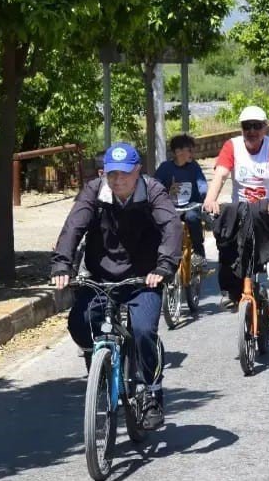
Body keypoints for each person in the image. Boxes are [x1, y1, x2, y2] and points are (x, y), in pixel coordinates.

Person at [52, 142, 182, 430]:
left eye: (124, 174)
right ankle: (97, 363)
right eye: (112, 174)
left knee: (144, 331)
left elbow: (172, 227)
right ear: (103, 173)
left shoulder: (153, 191)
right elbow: (74, 225)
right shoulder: (95, 191)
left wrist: (164, 267)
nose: (118, 180)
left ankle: (151, 391)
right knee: (79, 323)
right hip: (100, 276)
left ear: (138, 172)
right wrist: (62, 263)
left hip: (144, 277)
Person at [204, 106, 269, 320]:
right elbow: (220, 175)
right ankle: (231, 292)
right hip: (241, 212)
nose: (252, 131)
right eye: (247, 126)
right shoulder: (231, 146)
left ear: (265, 127)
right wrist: (210, 199)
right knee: (228, 247)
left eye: (257, 126)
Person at [155, 133, 207, 268]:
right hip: (171, 207)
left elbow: (202, 183)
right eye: (189, 150)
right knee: (162, 222)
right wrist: (167, 191)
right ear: (178, 152)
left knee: (192, 217)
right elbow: (155, 187)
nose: (192, 153)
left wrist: (204, 196)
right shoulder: (165, 168)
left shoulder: (194, 166)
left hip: (190, 206)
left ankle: (199, 251)